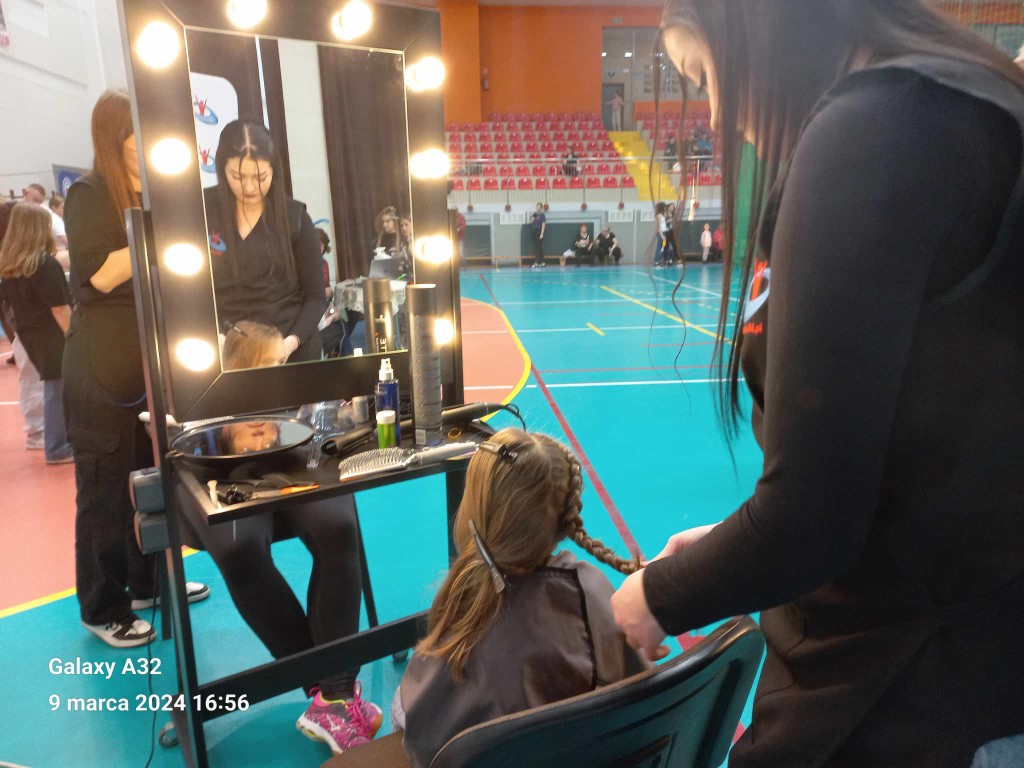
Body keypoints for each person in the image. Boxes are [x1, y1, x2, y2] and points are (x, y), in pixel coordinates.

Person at [611, 2, 1024, 766]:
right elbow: (926, 459)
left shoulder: (878, 128)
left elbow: (814, 519)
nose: (715, 113)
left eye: (703, 75)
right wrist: (732, 545)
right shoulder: (965, 103)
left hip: (914, 696)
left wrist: (657, 598)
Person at [392, 429, 653, 768]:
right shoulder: (589, 589)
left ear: (475, 513)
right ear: (561, 522)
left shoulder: (463, 607)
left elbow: (418, 733)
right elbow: (638, 689)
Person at [181, 319, 382, 755]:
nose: (271, 375)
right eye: (259, 368)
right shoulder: (206, 399)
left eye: (277, 364)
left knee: (338, 527)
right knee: (239, 548)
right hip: (225, 469)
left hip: (294, 455)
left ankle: (334, 694)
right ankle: (327, 690)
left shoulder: (298, 400)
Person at [64, 90, 208, 648]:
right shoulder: (88, 195)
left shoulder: (151, 192)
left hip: (146, 367)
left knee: (149, 479)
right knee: (103, 491)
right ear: (114, 137)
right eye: (135, 134)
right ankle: (103, 605)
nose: (145, 144)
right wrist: (154, 229)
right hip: (99, 372)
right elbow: (99, 275)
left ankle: (149, 583)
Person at [204, 120, 326, 363]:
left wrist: (287, 345)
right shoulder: (203, 210)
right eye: (237, 176)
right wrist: (216, 336)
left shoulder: (294, 217)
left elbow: (316, 297)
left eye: (260, 177)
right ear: (222, 168)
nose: (249, 187)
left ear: (274, 170)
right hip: (228, 351)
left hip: (290, 349)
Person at [0, 203, 74, 464]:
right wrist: (75, 336)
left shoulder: (12, 266)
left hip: (30, 334)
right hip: (52, 335)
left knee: (53, 386)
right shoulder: (43, 264)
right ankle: (57, 447)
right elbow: (60, 308)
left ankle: (56, 442)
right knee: (58, 389)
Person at [529, 202, 546, 269]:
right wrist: (532, 218)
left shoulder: (542, 215)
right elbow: (531, 222)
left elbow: (543, 224)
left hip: (539, 232)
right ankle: (542, 262)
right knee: (538, 247)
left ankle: (537, 262)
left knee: (538, 247)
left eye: (539, 207)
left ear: (541, 208)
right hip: (534, 232)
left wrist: (542, 233)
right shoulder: (535, 215)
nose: (537, 208)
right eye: (537, 207)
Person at [653, 201, 669, 267]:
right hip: (660, 232)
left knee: (663, 247)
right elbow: (659, 225)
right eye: (664, 207)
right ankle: (656, 261)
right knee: (659, 247)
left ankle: (660, 260)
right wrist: (661, 234)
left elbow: (663, 223)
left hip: (664, 232)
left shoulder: (662, 215)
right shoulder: (659, 215)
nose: (665, 208)